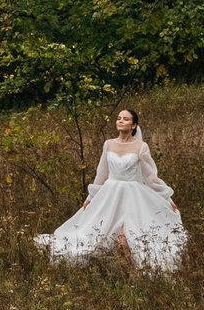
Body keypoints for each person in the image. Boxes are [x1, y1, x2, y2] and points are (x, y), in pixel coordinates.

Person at [33, 107, 187, 275]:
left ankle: (130, 275)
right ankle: (114, 272)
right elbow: (101, 174)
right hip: (110, 195)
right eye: (119, 118)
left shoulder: (141, 147)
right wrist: (91, 197)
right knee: (100, 235)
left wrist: (168, 199)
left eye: (126, 119)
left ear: (134, 125)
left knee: (127, 239)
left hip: (132, 197)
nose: (120, 121)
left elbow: (151, 178)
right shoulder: (109, 144)